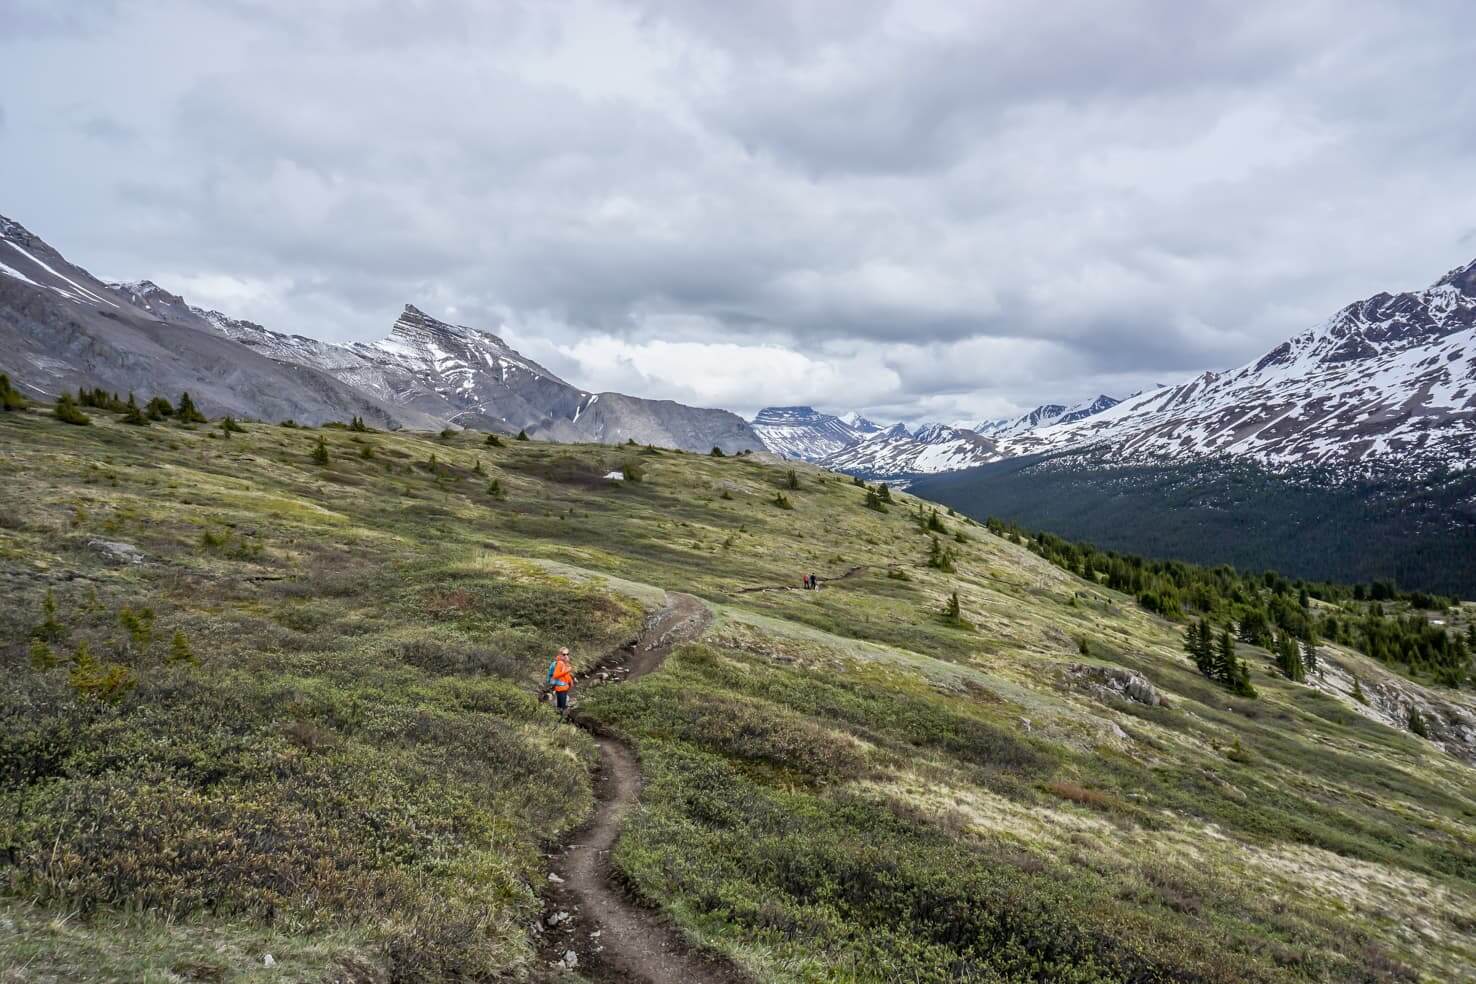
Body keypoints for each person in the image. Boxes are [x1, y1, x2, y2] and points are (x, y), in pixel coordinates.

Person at [546, 646, 574, 718]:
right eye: (564, 654)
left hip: (563, 687)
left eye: (568, 654)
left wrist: (570, 681)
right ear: (560, 654)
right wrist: (567, 670)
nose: (566, 656)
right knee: (562, 707)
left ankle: (558, 720)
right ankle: (560, 721)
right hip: (561, 687)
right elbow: (556, 675)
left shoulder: (564, 663)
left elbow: (566, 675)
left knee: (560, 706)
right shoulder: (560, 663)